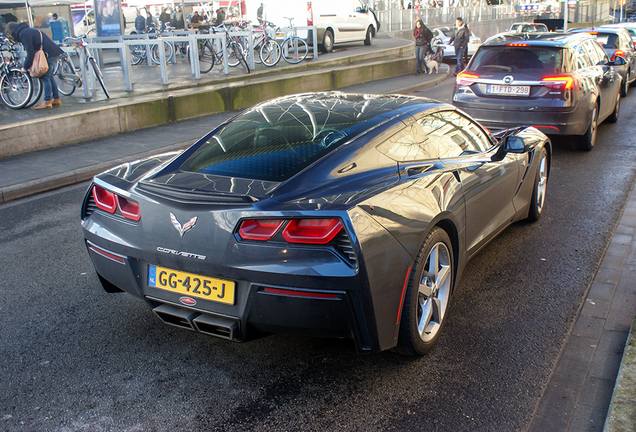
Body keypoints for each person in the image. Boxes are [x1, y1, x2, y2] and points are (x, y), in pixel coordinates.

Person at [5, 21, 64, 109]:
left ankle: (47, 101)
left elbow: (30, 52)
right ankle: (56, 99)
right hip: (53, 52)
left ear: (11, 33)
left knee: (45, 77)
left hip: (49, 54)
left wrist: (25, 67)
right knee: (49, 76)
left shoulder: (24, 34)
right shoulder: (27, 30)